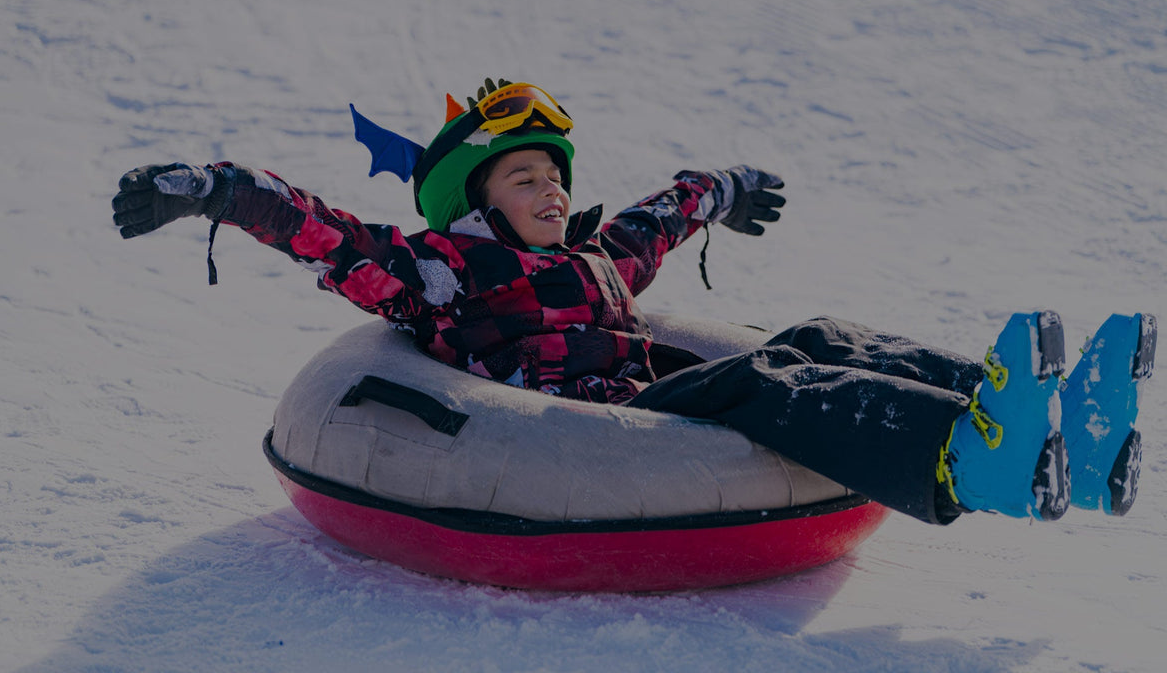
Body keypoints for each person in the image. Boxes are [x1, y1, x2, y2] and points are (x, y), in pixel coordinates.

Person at [112, 78, 1154, 526]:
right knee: (771, 375)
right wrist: (214, 190)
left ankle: (1042, 417)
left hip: (656, 392)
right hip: (598, 420)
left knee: (816, 335)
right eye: (524, 179)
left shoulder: (600, 253)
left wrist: (726, 191)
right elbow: (319, 229)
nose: (550, 191)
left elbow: (663, 213)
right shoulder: (439, 272)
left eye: (555, 175)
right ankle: (979, 462)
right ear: (474, 199)